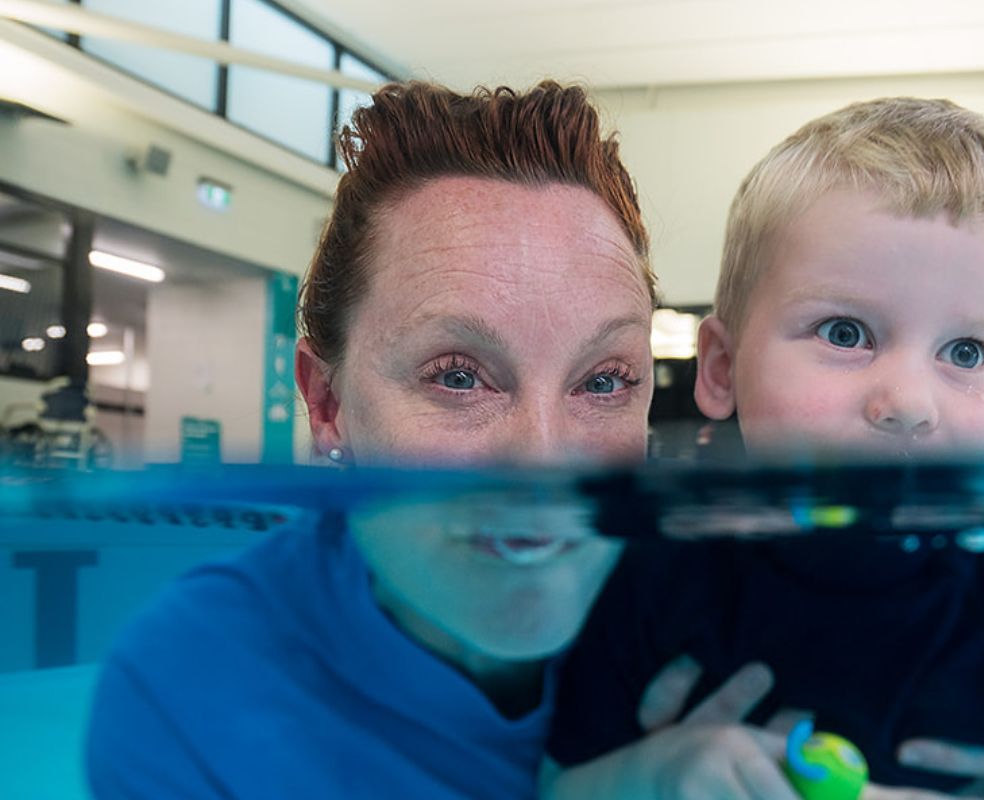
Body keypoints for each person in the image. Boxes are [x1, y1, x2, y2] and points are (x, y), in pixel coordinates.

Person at [84, 80, 660, 799]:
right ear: (326, 403)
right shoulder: (194, 689)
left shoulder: (726, 620)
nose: (543, 461)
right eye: (457, 376)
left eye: (604, 381)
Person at [548, 98, 984, 799]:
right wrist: (650, 776)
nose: (911, 403)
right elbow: (556, 786)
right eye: (846, 333)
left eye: (968, 350)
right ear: (721, 370)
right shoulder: (655, 573)